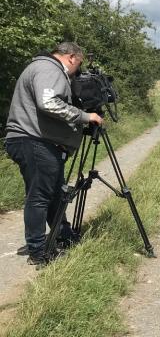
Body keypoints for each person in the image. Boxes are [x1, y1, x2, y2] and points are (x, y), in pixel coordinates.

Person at [4, 42, 103, 266]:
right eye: (78, 65)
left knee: (55, 194)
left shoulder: (41, 68)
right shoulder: (49, 68)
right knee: (39, 197)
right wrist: (86, 117)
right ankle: (38, 252)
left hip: (35, 141)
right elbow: (48, 103)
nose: (77, 71)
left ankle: (62, 235)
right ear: (71, 57)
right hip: (33, 140)